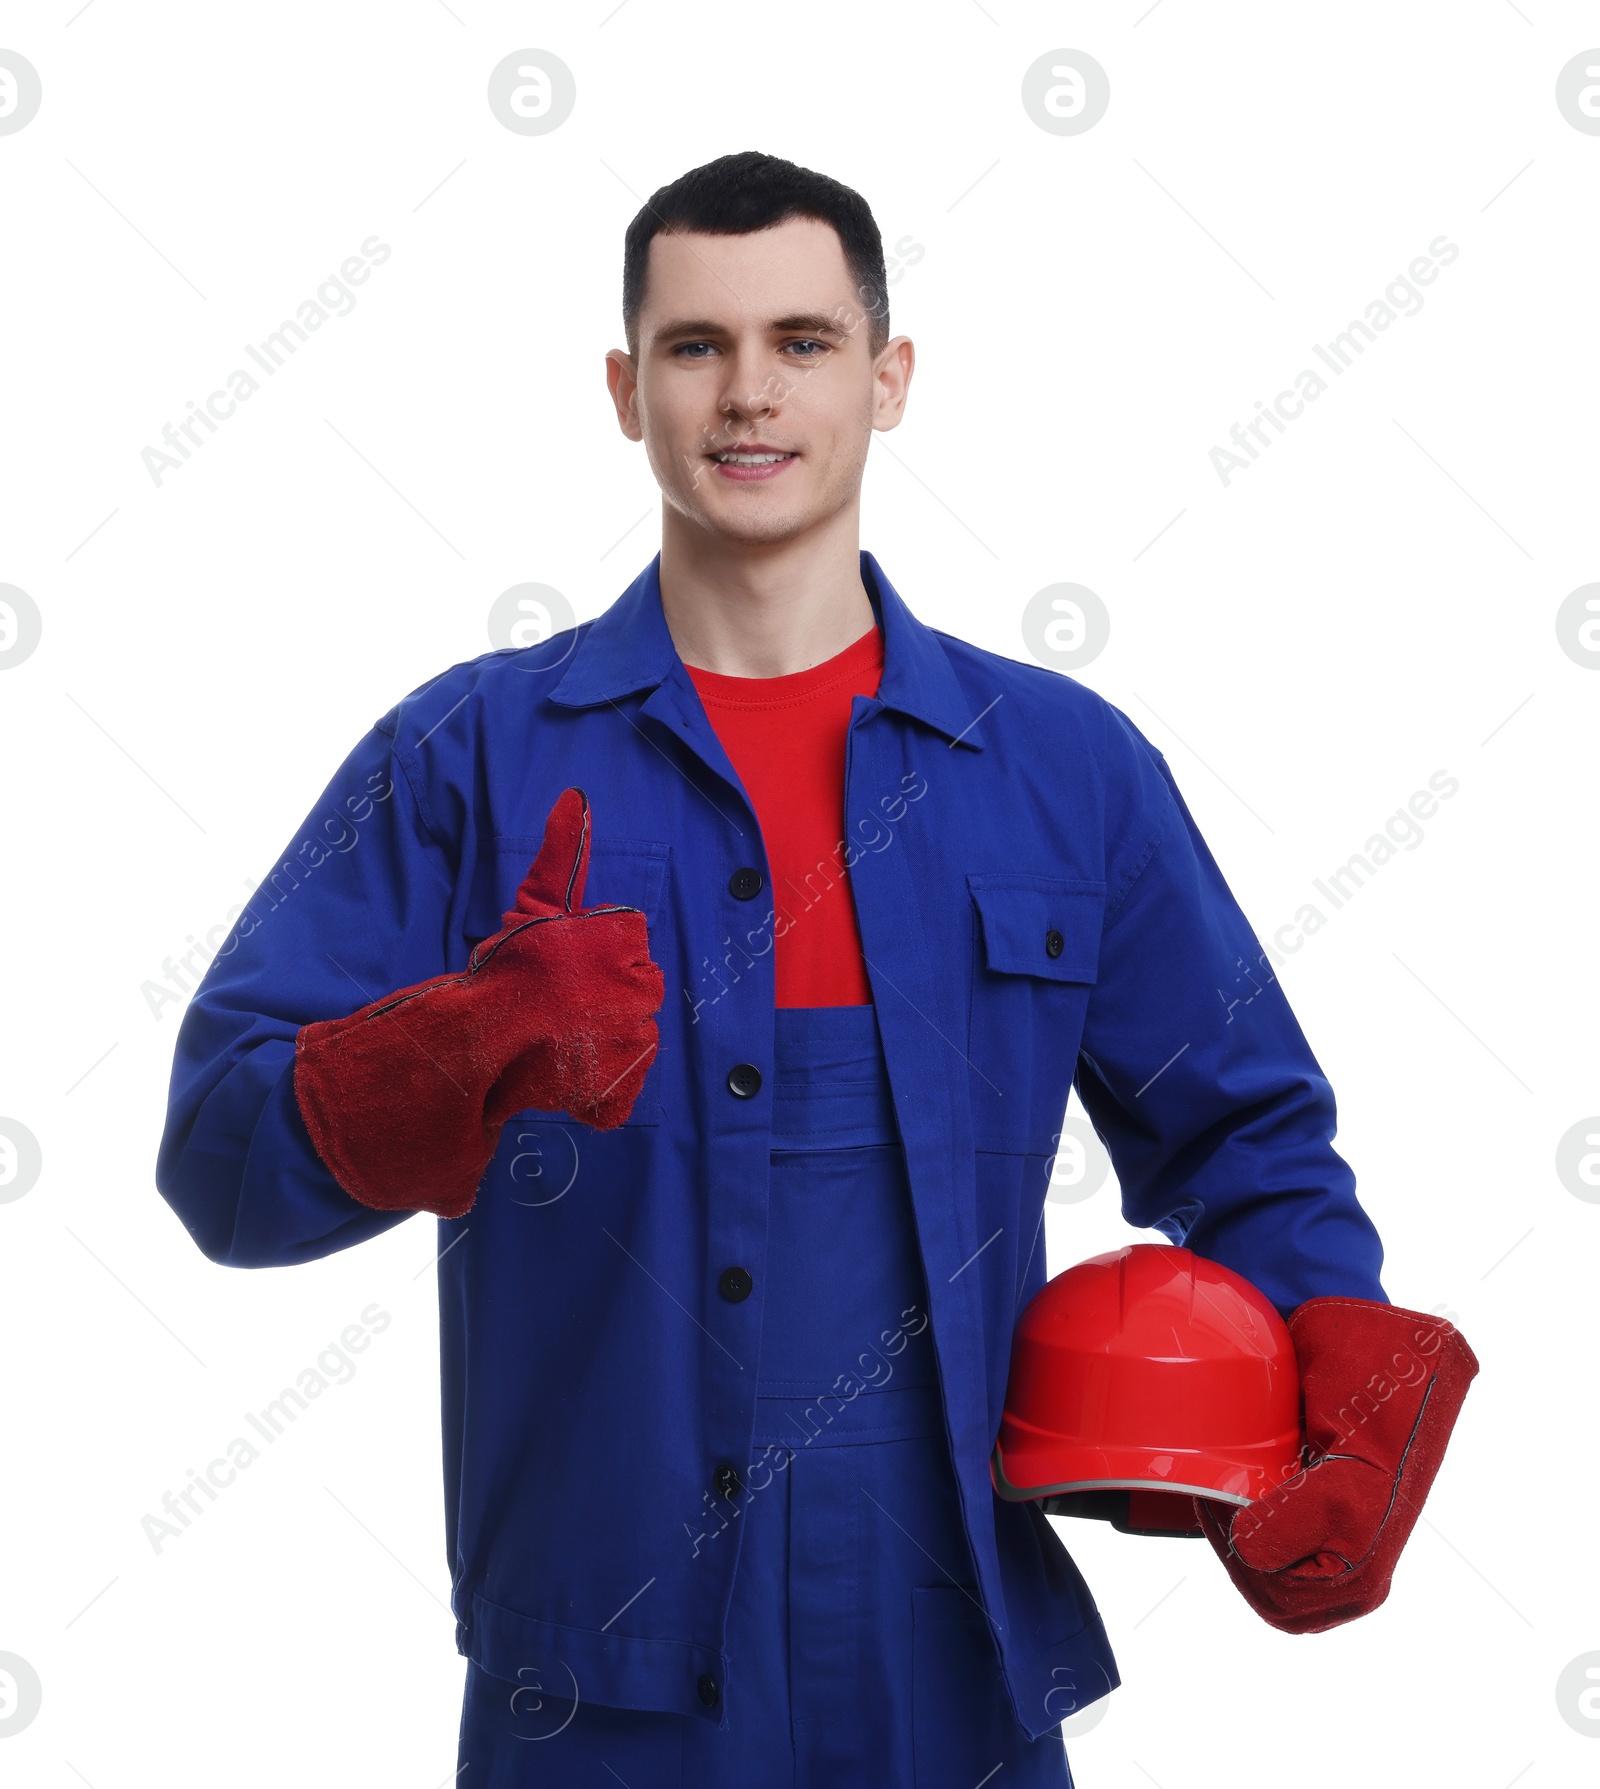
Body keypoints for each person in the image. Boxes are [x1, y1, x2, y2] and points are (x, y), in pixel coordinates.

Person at [157, 151, 1400, 1786]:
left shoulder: (1066, 771)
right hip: (593, 1695)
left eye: (804, 342)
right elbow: (222, 1161)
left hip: (953, 1672)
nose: (750, 393)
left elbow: (1243, 1137)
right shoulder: (466, 757)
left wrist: (1344, 1384)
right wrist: (449, 1050)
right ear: (625, 389)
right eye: (696, 346)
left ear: (889, 379)